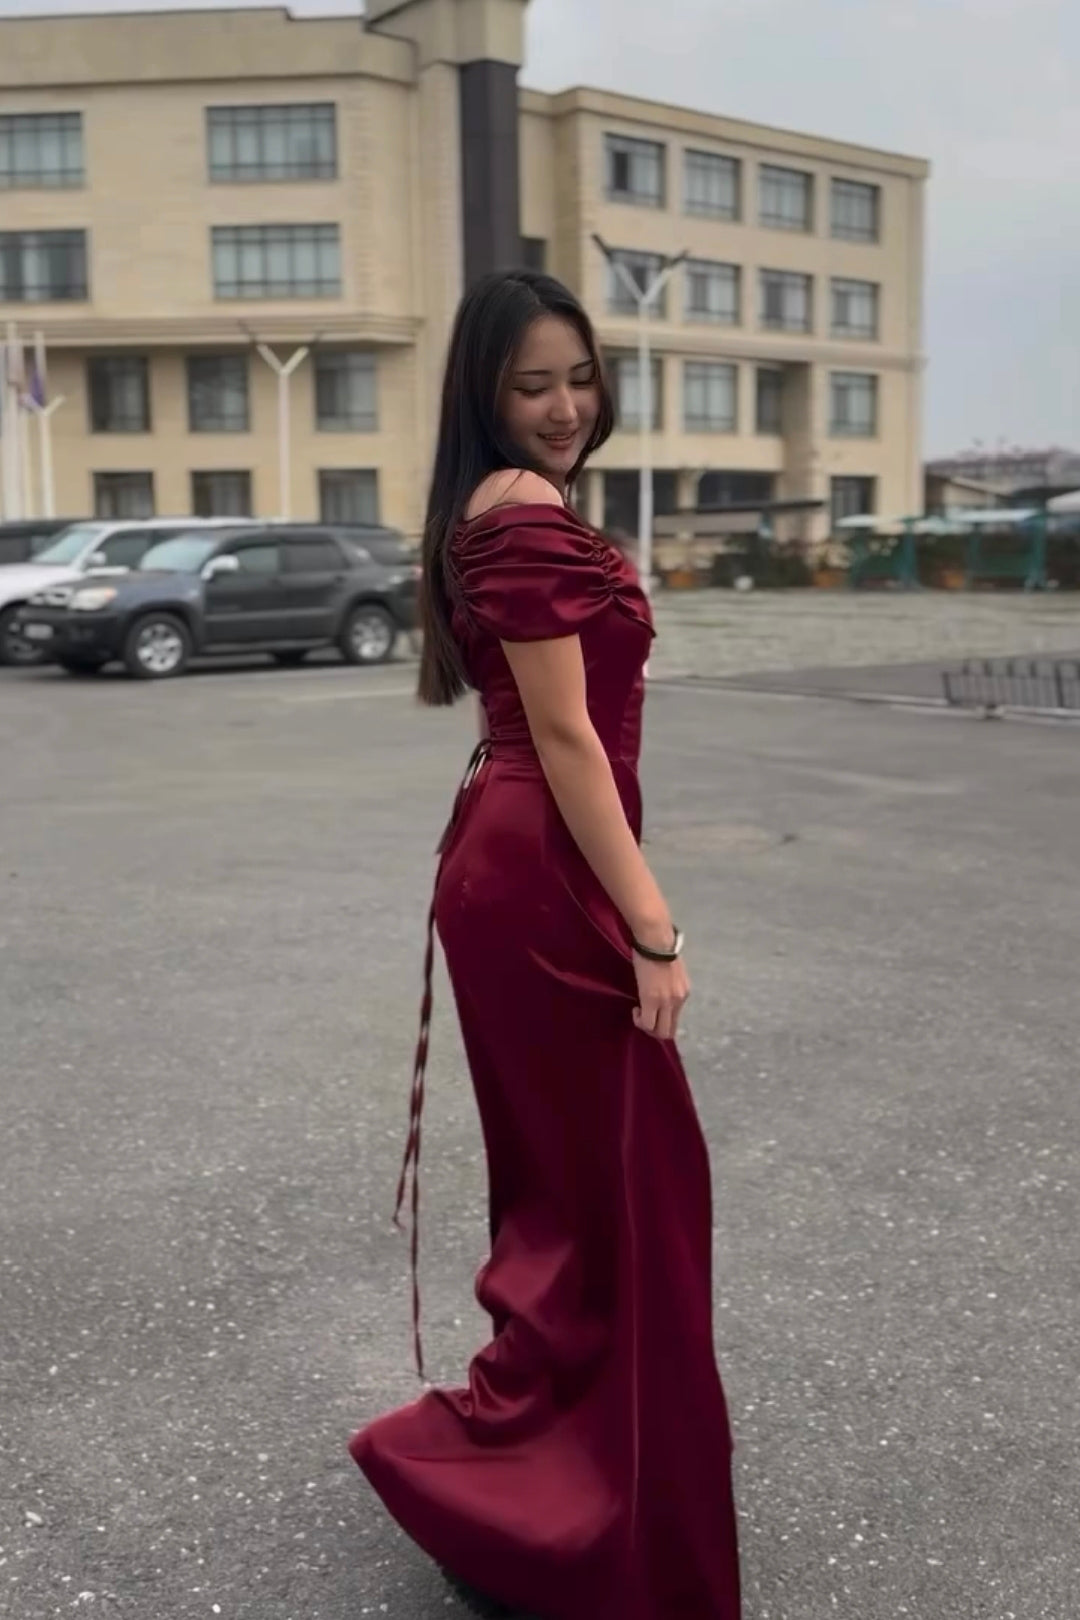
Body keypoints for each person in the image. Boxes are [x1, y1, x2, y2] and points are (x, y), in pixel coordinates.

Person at [349, 270, 741, 1620]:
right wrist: (654, 928)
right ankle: (548, 1507)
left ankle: (551, 1494)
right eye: (533, 385)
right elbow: (568, 738)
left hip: (517, 860)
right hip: (545, 874)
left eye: (580, 377)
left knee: (583, 1198)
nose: (566, 406)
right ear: (485, 393)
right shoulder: (519, 512)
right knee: (616, 1197)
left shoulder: (501, 506)